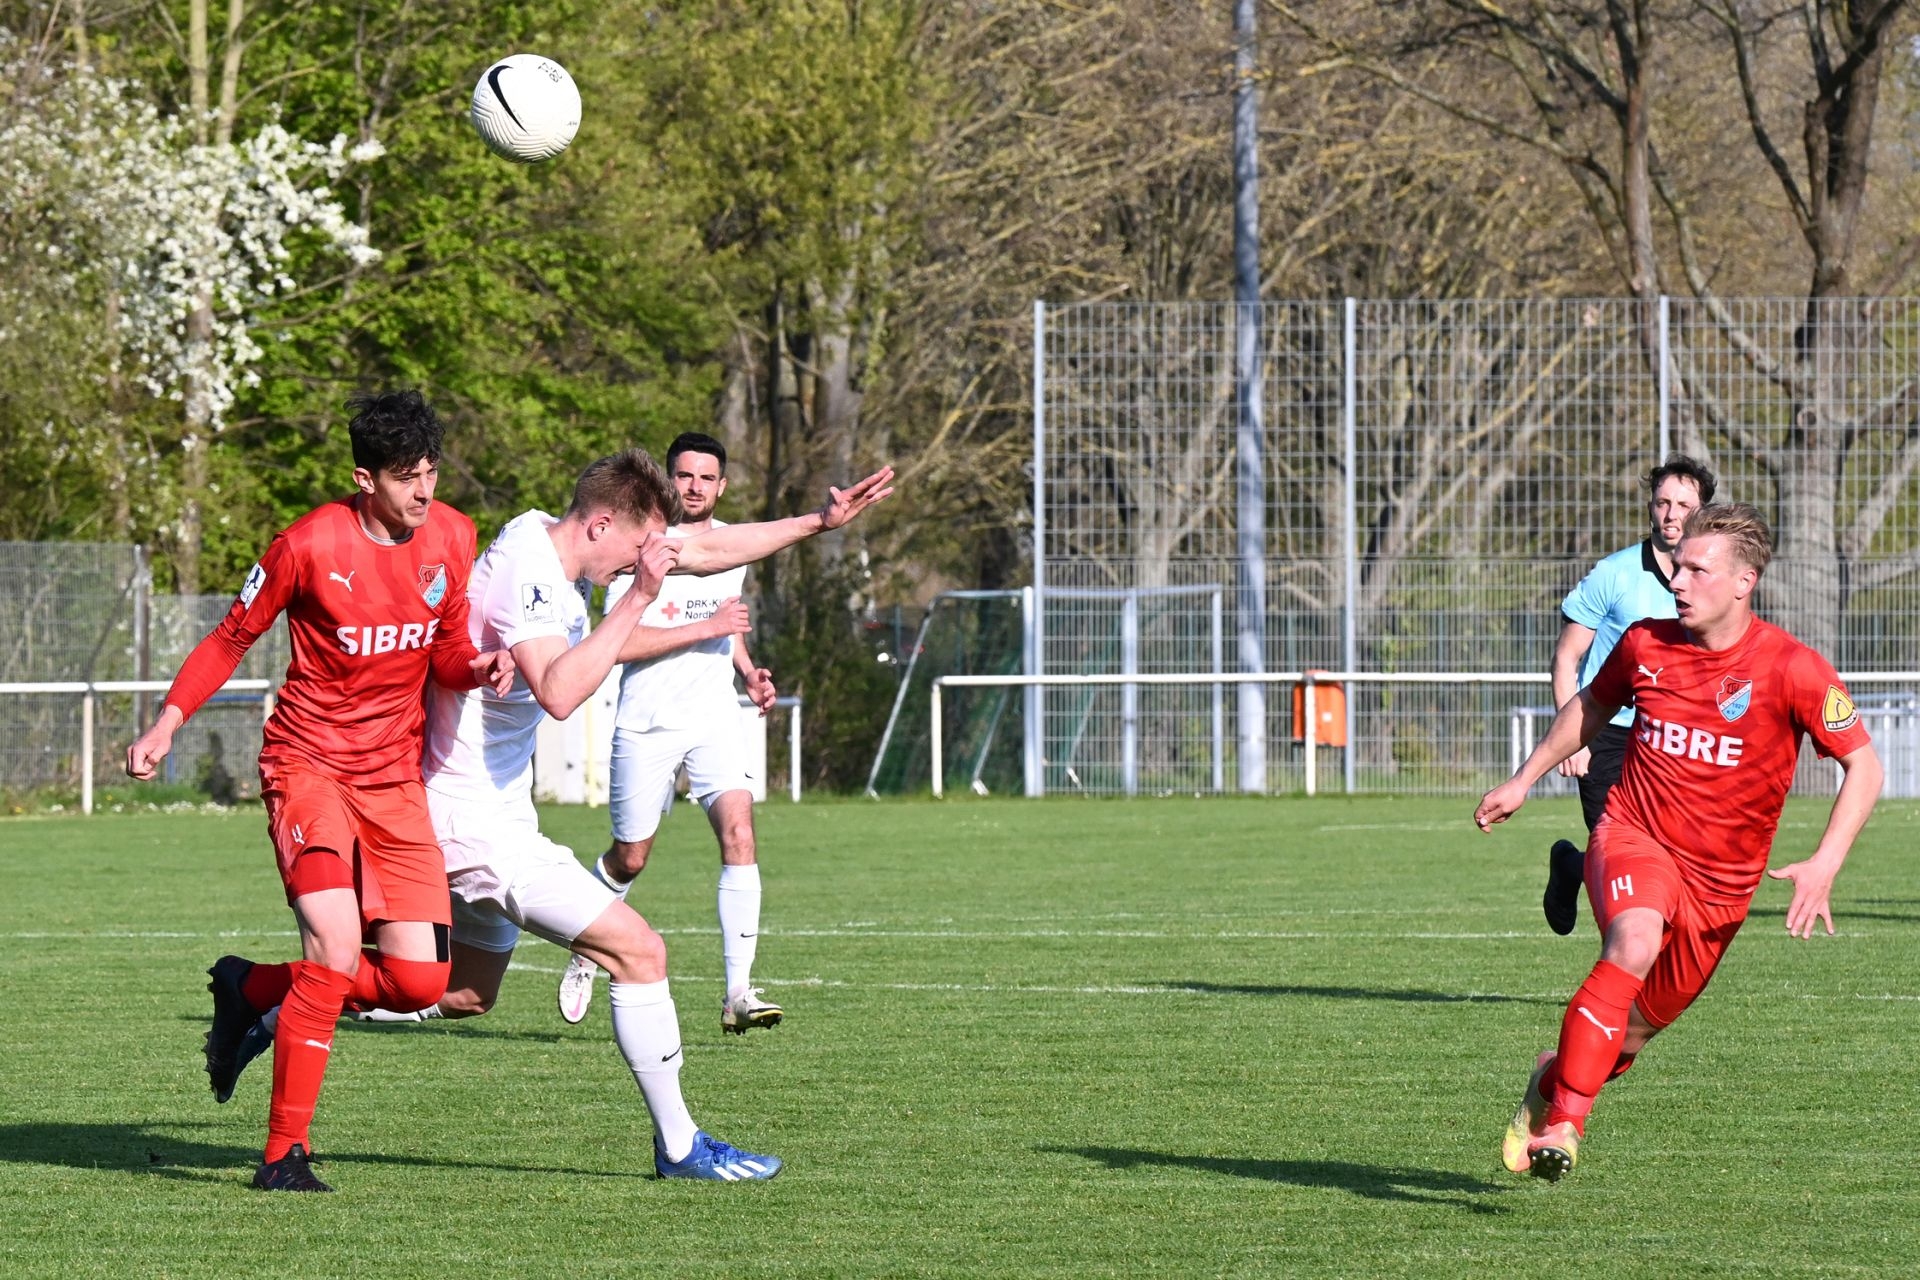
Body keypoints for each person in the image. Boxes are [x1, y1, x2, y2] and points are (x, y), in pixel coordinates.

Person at [241, 449, 893, 1180]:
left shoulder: (545, 540)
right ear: (602, 524)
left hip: (489, 811)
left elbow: (704, 550)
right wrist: (640, 599)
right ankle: (680, 1147)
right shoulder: (533, 575)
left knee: (464, 993)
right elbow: (557, 690)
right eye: (635, 552)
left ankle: (264, 994)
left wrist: (817, 521)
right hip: (468, 820)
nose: (640, 566)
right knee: (640, 952)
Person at [124, 390, 515, 1193]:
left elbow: (444, 651)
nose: (424, 492)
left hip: (394, 779)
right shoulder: (306, 545)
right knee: (335, 953)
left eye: (432, 472)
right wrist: (167, 724)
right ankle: (282, 1157)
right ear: (362, 478)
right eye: (407, 477)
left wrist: (477, 668)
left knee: (421, 984)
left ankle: (251, 988)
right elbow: (231, 637)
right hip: (308, 770)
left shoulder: (453, 536)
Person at [1474, 503, 1881, 1181]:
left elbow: (1864, 764)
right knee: (1631, 943)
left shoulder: (1793, 668)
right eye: (1677, 565)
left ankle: (1549, 1082)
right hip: (1634, 834)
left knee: (1628, 1038)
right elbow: (1592, 708)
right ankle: (1569, 1120)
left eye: (1697, 568)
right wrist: (1524, 779)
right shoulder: (1644, 643)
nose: (1679, 580)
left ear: (1744, 582)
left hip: (1721, 889)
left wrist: (1825, 863)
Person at [555, 432, 781, 1033]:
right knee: (630, 858)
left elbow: (728, 629)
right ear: (669, 479)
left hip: (712, 719)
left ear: (722, 485)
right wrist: (706, 624)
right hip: (647, 723)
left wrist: (749, 672)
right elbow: (617, 645)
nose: (695, 487)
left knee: (739, 831)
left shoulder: (730, 545)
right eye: (684, 476)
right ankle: (586, 942)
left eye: (707, 478)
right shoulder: (644, 547)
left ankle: (738, 993)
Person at [1540, 456, 1715, 936]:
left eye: (1683, 504)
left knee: (1669, 858)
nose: (1671, 513)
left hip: (1671, 740)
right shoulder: (1614, 574)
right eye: (1662, 502)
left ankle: (1573, 867)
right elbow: (1565, 661)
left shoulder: (1709, 582)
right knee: (1619, 864)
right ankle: (1621, 978)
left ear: (1701, 512)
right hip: (1608, 734)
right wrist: (1572, 740)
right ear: (1650, 507)